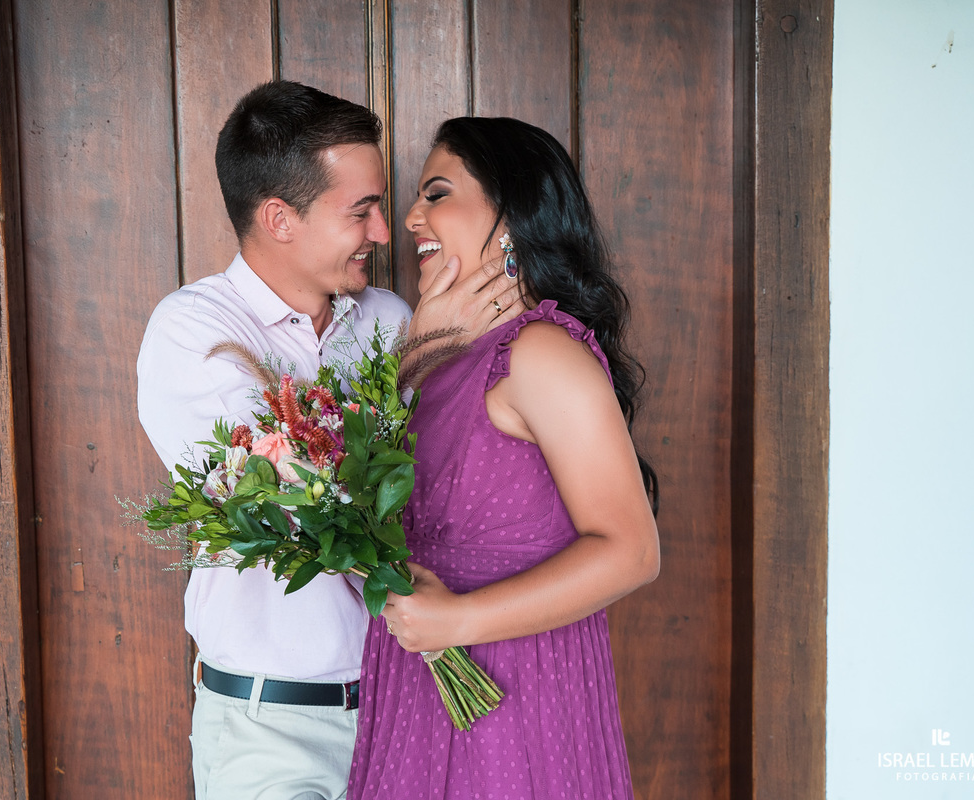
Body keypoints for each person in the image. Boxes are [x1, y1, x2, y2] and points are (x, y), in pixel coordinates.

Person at [137, 83, 522, 800]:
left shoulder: (389, 317)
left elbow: (431, 493)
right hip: (270, 730)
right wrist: (420, 358)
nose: (382, 231)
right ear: (279, 218)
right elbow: (298, 508)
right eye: (360, 210)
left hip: (406, 706)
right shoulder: (193, 332)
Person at [347, 117, 661, 800]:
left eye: (436, 194)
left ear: (512, 217)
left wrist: (456, 621)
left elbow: (633, 551)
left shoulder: (541, 353)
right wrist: (415, 357)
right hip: (419, 686)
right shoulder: (439, 358)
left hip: (513, 697)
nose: (410, 218)